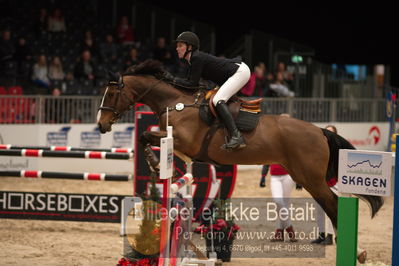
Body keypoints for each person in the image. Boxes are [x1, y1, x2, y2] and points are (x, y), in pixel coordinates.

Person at [173, 31, 250, 150]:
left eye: (180, 45)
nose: (177, 48)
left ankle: (237, 136)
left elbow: (192, 84)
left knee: (218, 100)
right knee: (213, 97)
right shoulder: (192, 60)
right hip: (234, 72)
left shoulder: (196, 58)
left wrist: (172, 80)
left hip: (239, 72)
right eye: (177, 46)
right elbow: (191, 84)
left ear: (190, 47)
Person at [311, 124, 338, 245]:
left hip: (334, 183)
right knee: (319, 210)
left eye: (331, 133)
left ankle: (330, 236)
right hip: (320, 185)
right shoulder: (318, 149)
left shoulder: (337, 148)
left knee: (330, 210)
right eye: (326, 133)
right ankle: (321, 234)